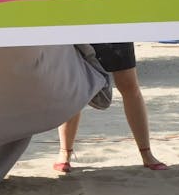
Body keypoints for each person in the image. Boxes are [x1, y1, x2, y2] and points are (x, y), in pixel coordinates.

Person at [55, 42, 167, 173]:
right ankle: (64, 152)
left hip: (113, 28)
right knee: (74, 87)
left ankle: (146, 153)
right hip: (78, 27)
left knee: (128, 84)